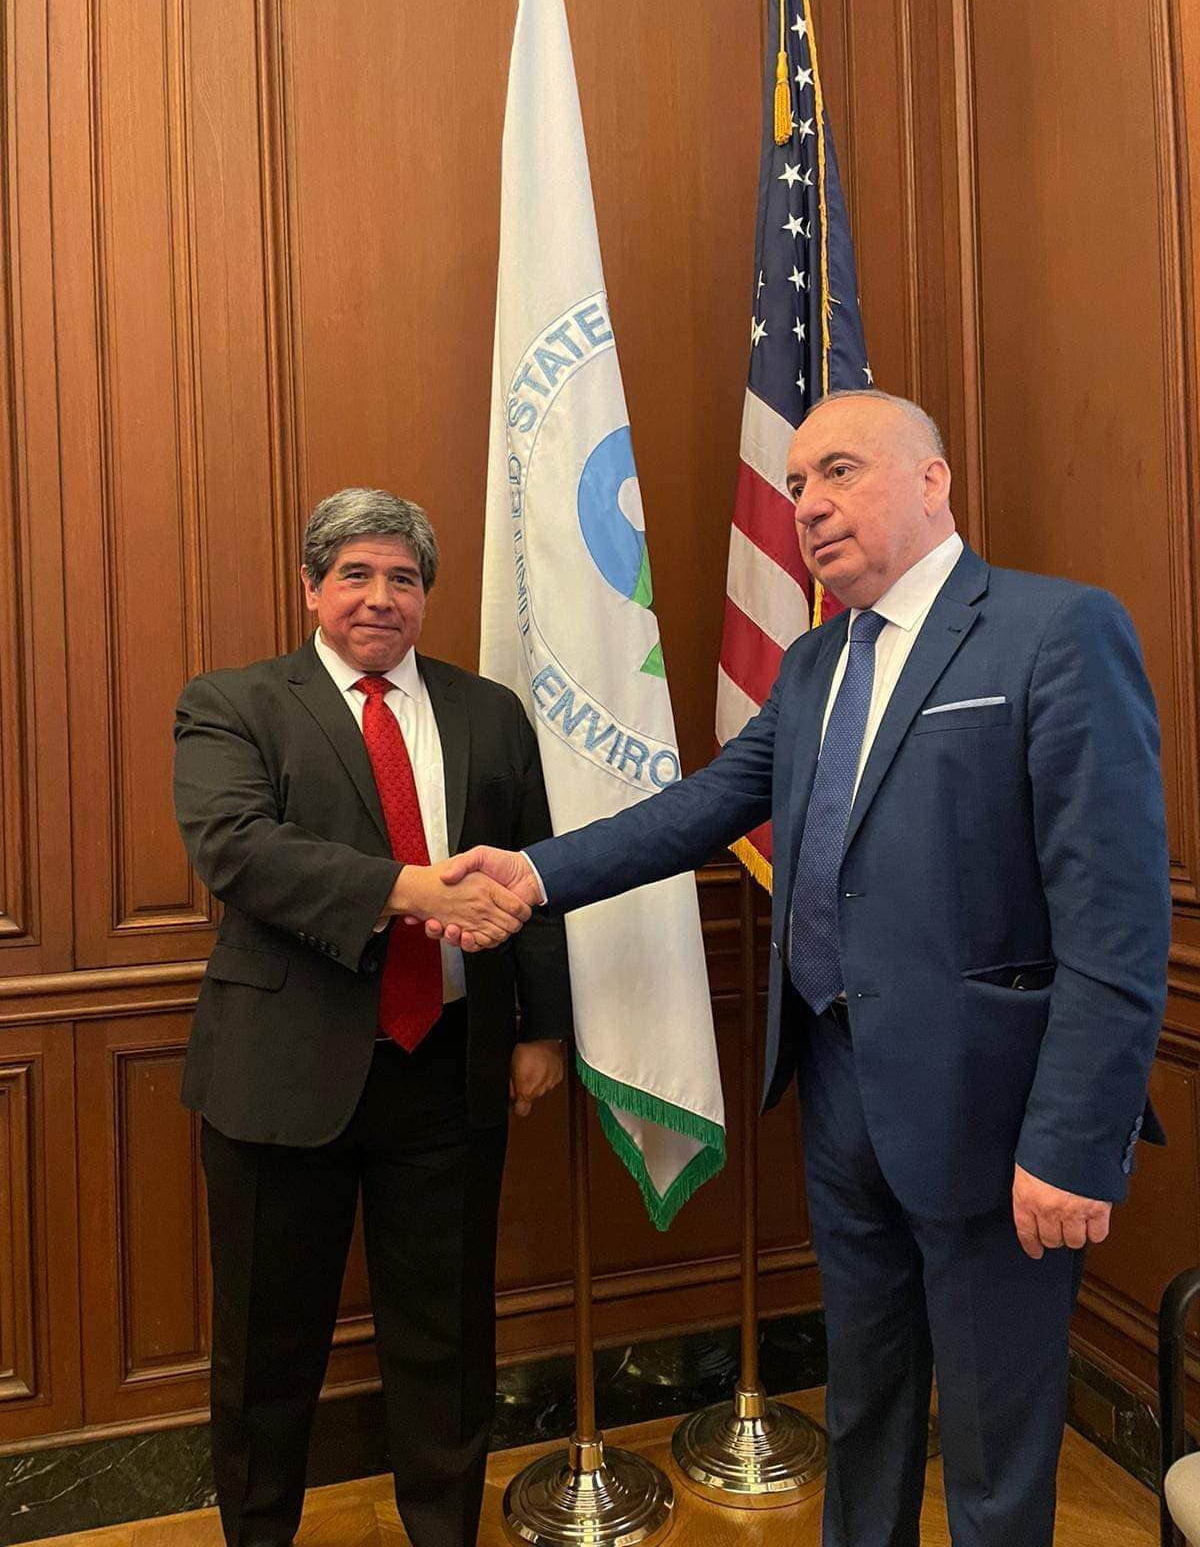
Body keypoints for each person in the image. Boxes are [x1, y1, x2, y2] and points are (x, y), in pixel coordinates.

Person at [434, 391, 1171, 1547]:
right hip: (837, 1090)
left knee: (994, 1443)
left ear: (932, 480)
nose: (809, 506)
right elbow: (704, 806)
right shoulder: (820, 660)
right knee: (864, 1401)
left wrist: (1074, 1144)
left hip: (996, 1116)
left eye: (839, 471)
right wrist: (531, 872)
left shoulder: (1056, 630)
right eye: (793, 486)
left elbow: (1117, 923)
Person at [173, 489, 571, 1547]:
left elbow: (531, 872)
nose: (380, 597)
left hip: (447, 1070)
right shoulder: (233, 703)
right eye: (355, 574)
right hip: (280, 1075)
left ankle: (444, 1531)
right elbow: (236, 850)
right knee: (266, 1350)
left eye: (402, 577)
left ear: (426, 595)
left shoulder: (490, 712)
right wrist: (409, 890)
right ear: (311, 587)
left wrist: (543, 1027)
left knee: (448, 1341)